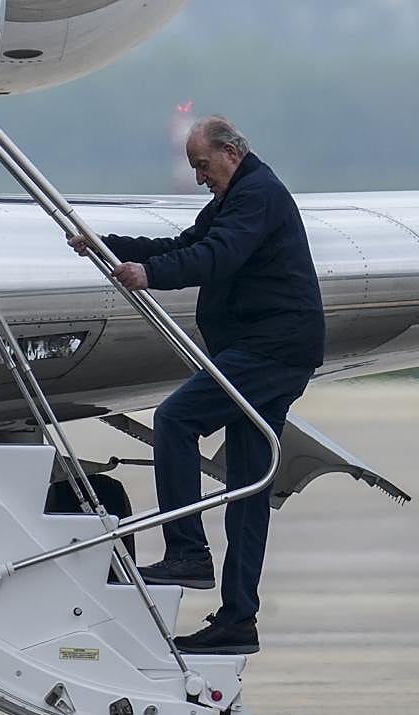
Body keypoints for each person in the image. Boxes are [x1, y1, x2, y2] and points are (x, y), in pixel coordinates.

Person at [68, 116, 325, 655]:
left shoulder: (256, 196)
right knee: (249, 488)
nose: (200, 176)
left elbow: (216, 256)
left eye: (203, 165)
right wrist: (105, 245)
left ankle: (187, 551)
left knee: (175, 419)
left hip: (268, 350)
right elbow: (185, 242)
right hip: (272, 350)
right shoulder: (239, 195)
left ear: (230, 153)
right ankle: (238, 619)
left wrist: (149, 276)